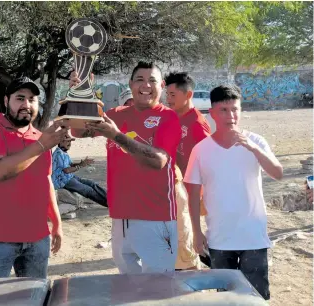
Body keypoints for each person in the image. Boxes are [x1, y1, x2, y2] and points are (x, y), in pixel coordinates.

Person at [70, 61, 182, 274]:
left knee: (157, 290)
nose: (145, 85)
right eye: (139, 79)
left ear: (162, 85)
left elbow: (158, 160)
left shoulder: (167, 117)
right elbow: (77, 131)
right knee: (128, 287)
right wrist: (79, 94)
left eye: (152, 80)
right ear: (130, 84)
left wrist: (117, 136)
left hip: (156, 219)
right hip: (120, 218)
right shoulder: (115, 114)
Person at [184, 84, 283, 300]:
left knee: (255, 297)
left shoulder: (256, 141)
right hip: (219, 239)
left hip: (253, 237)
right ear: (212, 113)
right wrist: (197, 232)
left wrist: (254, 149)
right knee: (226, 298)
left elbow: (278, 173)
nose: (231, 116)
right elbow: (193, 194)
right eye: (224, 110)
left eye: (235, 109)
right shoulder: (201, 149)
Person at [0, 76, 68, 279]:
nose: (26, 104)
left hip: (37, 239)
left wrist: (57, 222)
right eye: (20, 98)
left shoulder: (39, 137)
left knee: (33, 299)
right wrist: (41, 146)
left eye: (32, 99)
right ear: (6, 101)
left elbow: (46, 181)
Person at [164, 72, 211, 270]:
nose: (168, 98)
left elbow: (208, 163)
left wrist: (199, 195)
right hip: (173, 188)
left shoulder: (198, 125)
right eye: (167, 94)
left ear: (188, 95)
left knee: (188, 239)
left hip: (189, 192)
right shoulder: (171, 116)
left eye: (173, 95)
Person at [51, 132, 108, 207]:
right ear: (60, 142)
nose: (70, 143)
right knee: (88, 190)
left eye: (70, 141)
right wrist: (80, 166)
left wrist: (81, 163)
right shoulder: (59, 154)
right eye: (67, 141)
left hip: (69, 177)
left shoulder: (63, 152)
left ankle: (110, 199)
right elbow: (66, 170)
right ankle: (110, 204)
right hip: (63, 181)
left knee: (92, 184)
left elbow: (70, 164)